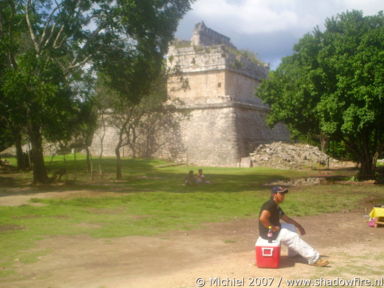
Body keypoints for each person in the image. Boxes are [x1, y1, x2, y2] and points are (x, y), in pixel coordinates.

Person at [258, 186, 329, 267]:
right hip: (269, 233)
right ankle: (314, 259)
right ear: (274, 195)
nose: (283, 196)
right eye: (281, 193)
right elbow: (263, 219)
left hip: (274, 229)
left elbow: (286, 219)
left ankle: (293, 255)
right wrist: (273, 228)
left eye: (284, 194)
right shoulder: (270, 204)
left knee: (291, 227)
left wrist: (299, 226)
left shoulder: (276, 206)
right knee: (292, 236)